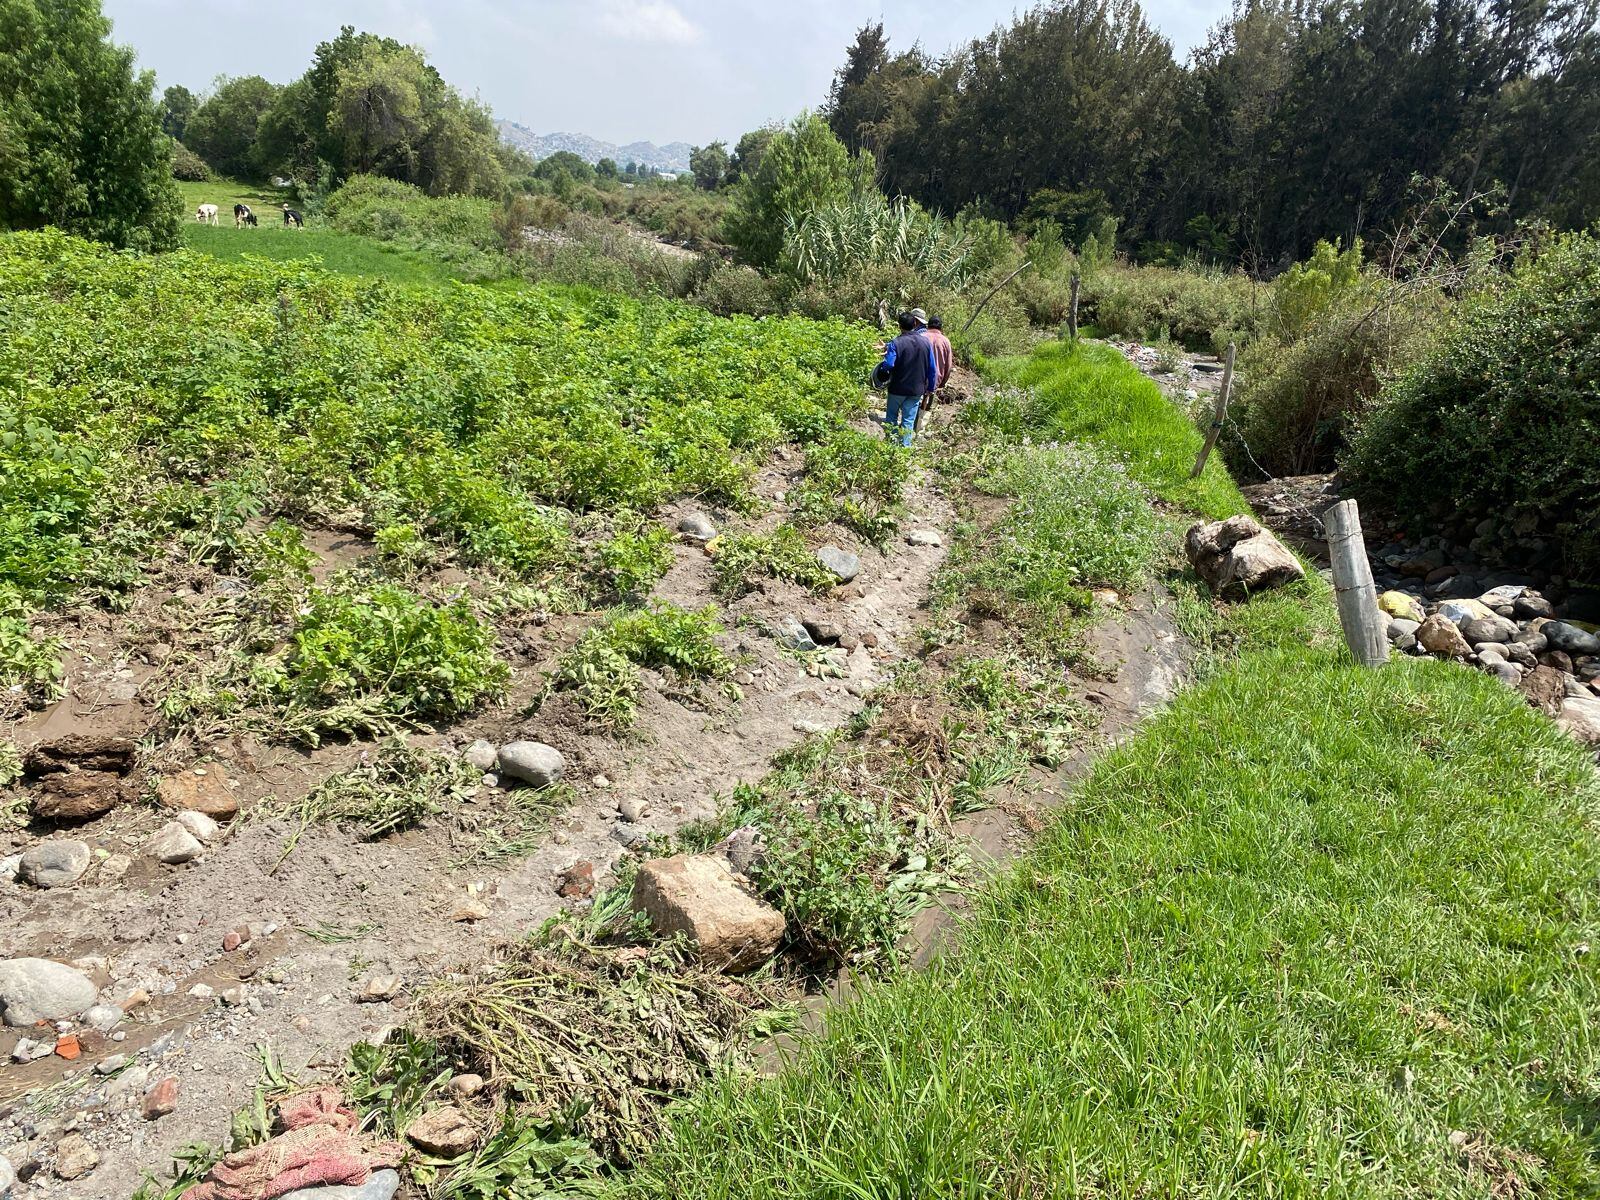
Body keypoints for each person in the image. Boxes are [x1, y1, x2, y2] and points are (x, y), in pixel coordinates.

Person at [871, 312, 938, 446]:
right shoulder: (925, 342)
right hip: (916, 390)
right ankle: (905, 449)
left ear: (899, 326)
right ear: (914, 324)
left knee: (891, 417)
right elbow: (932, 368)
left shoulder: (896, 343)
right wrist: (931, 388)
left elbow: (889, 364)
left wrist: (883, 373)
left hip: (897, 388)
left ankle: (891, 446)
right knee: (908, 420)